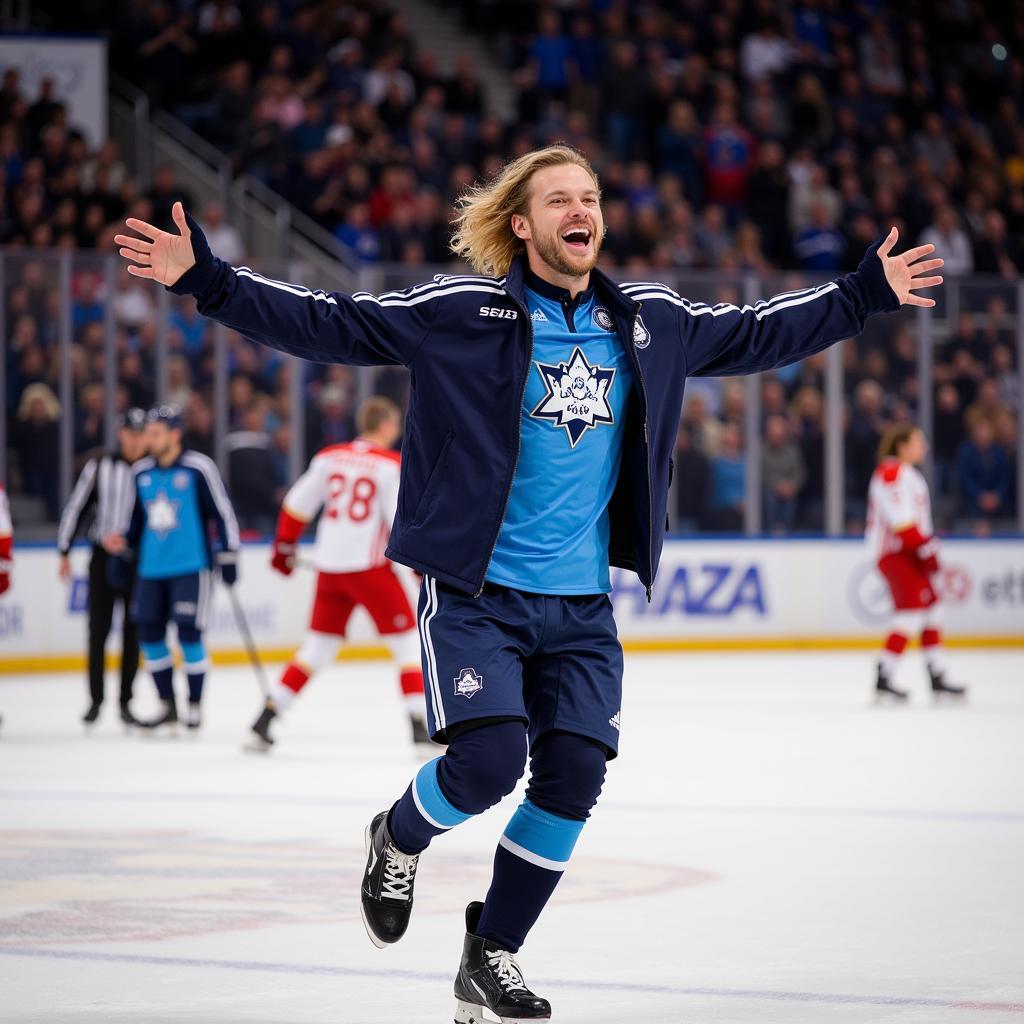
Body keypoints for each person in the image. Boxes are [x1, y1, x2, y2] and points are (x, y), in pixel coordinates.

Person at [115, 144, 942, 1023]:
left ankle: (492, 954)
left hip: (582, 605)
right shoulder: (459, 313)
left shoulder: (650, 322)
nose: (579, 210)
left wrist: (861, 296)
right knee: (486, 764)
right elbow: (333, 322)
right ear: (522, 224)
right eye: (558, 200)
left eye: (590, 197)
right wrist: (209, 281)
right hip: (478, 592)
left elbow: (757, 334)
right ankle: (397, 836)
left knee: (575, 775)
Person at [248, 396, 428, 751]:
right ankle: (419, 724)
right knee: (406, 642)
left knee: (318, 647)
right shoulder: (390, 465)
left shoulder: (329, 457)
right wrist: (419, 568)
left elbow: (296, 505)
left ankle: (268, 715)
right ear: (387, 425)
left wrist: (284, 548)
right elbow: (398, 521)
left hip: (330, 569)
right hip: (370, 569)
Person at [107, 405, 240, 732]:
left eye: (155, 433)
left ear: (175, 434)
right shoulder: (141, 473)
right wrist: (123, 553)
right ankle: (168, 705)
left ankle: (194, 705)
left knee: (189, 634)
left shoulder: (198, 468)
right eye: (147, 433)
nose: (148, 439)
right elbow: (134, 521)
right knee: (150, 636)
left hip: (191, 567)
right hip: (151, 569)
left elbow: (222, 513)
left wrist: (229, 555)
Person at [57, 408, 149, 728]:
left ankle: (126, 701)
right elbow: (77, 506)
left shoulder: (152, 469)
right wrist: (64, 550)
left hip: (138, 559)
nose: (136, 442)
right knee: (98, 629)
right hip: (102, 557)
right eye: (131, 434)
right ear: (120, 433)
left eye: (141, 435)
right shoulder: (100, 465)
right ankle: (95, 700)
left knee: (133, 632)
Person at [865, 424, 966, 703]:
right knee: (909, 615)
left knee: (932, 609)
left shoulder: (907, 474)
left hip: (910, 552)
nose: (924, 447)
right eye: (918, 441)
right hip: (896, 553)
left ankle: (937, 675)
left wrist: (925, 549)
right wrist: (928, 551)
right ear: (902, 445)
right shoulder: (892, 473)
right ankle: (884, 676)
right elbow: (903, 525)